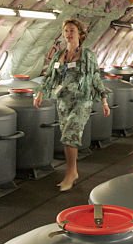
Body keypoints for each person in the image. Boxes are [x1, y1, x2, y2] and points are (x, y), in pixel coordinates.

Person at [34, 19, 110, 191]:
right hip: (63, 101)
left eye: (72, 31)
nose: (68, 34)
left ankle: (70, 173)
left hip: (82, 100)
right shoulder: (58, 55)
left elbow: (95, 77)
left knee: (70, 134)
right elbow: (49, 77)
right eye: (66, 31)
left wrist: (104, 99)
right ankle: (73, 171)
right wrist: (40, 93)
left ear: (80, 34)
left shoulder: (87, 55)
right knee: (67, 136)